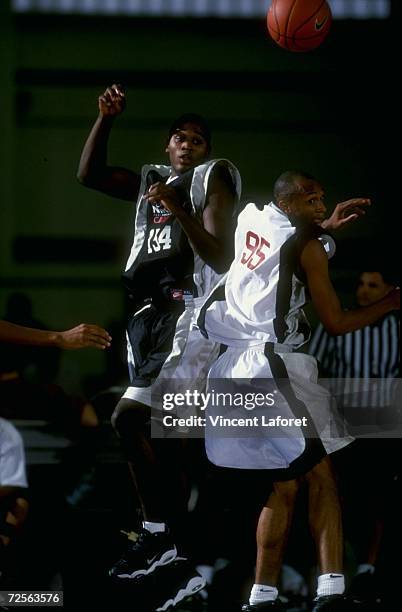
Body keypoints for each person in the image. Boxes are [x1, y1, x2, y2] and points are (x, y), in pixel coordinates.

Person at [197, 170, 400, 611]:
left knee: (282, 485)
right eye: (314, 201)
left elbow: (281, 242)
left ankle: (262, 594)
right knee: (322, 477)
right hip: (270, 367)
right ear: (291, 205)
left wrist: (321, 226)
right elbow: (337, 323)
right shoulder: (307, 248)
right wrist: (392, 302)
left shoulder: (251, 218)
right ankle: (331, 591)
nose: (322, 208)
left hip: (229, 366)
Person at [77, 84, 241, 609]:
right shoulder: (152, 179)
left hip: (185, 312)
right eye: (180, 137)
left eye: (197, 139)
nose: (188, 145)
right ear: (167, 146)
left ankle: (159, 537)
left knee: (129, 420)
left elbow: (217, 256)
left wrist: (178, 205)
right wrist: (104, 119)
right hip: (144, 320)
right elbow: (90, 176)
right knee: (163, 445)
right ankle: (178, 564)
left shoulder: (211, 180)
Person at [309, 267, 400, 607]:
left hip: (384, 425)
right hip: (344, 424)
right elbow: (315, 370)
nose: (363, 291)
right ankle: (335, 570)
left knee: (380, 497)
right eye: (360, 284)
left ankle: (368, 568)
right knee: (341, 496)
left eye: (373, 285)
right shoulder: (339, 323)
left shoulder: (395, 328)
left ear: (391, 290)